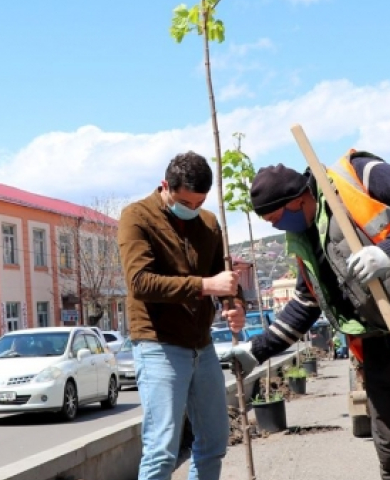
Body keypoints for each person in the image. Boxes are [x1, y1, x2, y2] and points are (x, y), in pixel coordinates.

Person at [219, 151, 390, 480]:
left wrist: (388, 250)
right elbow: (307, 303)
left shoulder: (355, 173)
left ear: (297, 199)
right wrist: (258, 349)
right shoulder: (306, 238)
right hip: (379, 340)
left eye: (275, 218)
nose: (277, 227)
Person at [117, 151, 246, 480]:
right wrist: (205, 286)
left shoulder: (208, 222)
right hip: (158, 345)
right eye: (185, 203)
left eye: (198, 203)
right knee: (161, 450)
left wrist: (234, 303)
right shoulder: (136, 217)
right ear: (165, 186)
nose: (192, 211)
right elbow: (140, 282)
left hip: (202, 347)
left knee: (214, 442)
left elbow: (223, 275)